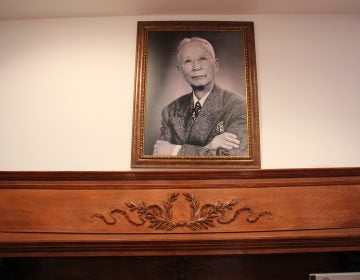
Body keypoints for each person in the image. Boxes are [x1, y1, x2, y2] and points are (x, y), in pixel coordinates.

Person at [153, 37, 248, 156]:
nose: (196, 67)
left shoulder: (238, 106)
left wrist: (175, 151)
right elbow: (160, 156)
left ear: (216, 65)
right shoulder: (170, 111)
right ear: (180, 69)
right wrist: (210, 146)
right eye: (188, 61)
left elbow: (232, 158)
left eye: (202, 59)